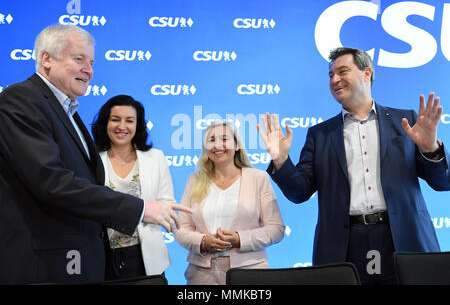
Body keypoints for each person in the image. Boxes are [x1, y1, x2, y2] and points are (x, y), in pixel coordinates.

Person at [0, 24, 191, 284]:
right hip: (46, 266)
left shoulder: (67, 111)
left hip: (78, 263)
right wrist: (142, 208)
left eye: (91, 62)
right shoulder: (21, 100)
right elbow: (52, 183)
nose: (88, 70)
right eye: (78, 59)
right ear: (46, 59)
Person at [258, 47, 450, 285]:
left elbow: (443, 182)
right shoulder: (320, 135)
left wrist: (430, 147)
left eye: (342, 71)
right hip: (346, 244)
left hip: (402, 237)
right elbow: (299, 193)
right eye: (330, 75)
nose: (335, 80)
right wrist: (280, 159)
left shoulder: (406, 122)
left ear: (366, 73)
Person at [174, 120, 285, 285]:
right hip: (201, 275)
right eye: (211, 140)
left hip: (249, 274)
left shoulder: (258, 178)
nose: (217, 145)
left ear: (237, 145)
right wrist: (203, 242)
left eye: (224, 139)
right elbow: (181, 229)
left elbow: (276, 229)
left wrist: (240, 239)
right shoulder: (194, 180)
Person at [92, 94, 175, 279]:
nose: (122, 127)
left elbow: (166, 207)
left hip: (147, 259)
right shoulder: (92, 160)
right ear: (105, 123)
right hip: (102, 258)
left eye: (129, 120)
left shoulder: (156, 157)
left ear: (138, 125)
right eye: (115, 119)